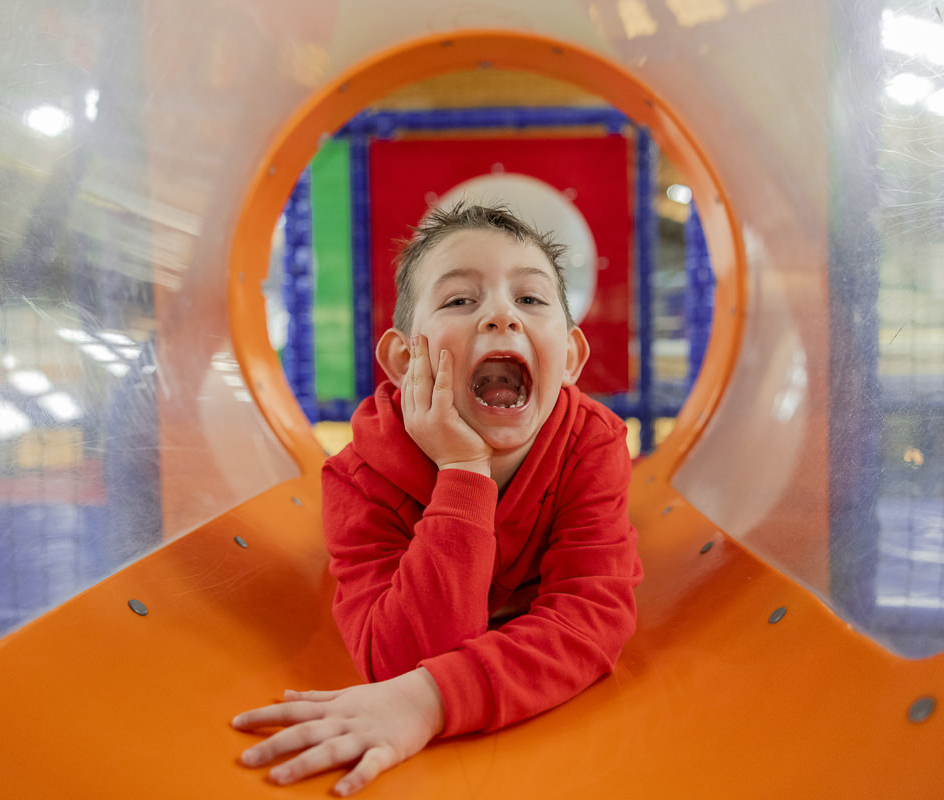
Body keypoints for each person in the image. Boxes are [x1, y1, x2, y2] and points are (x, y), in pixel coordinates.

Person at [231, 203, 643, 794]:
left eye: (530, 299)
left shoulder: (589, 443)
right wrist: (463, 469)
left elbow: (591, 618)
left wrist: (430, 701)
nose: (501, 315)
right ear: (406, 360)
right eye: (459, 300)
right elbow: (399, 659)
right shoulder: (360, 481)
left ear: (572, 358)